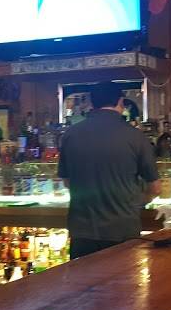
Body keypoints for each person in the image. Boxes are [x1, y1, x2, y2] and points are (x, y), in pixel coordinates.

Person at [58, 81, 161, 259]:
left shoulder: (70, 134)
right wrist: (138, 202)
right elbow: (156, 188)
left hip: (82, 233)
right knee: (120, 278)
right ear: (120, 102)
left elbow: (67, 182)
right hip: (122, 231)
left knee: (82, 277)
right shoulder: (136, 136)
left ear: (92, 103)